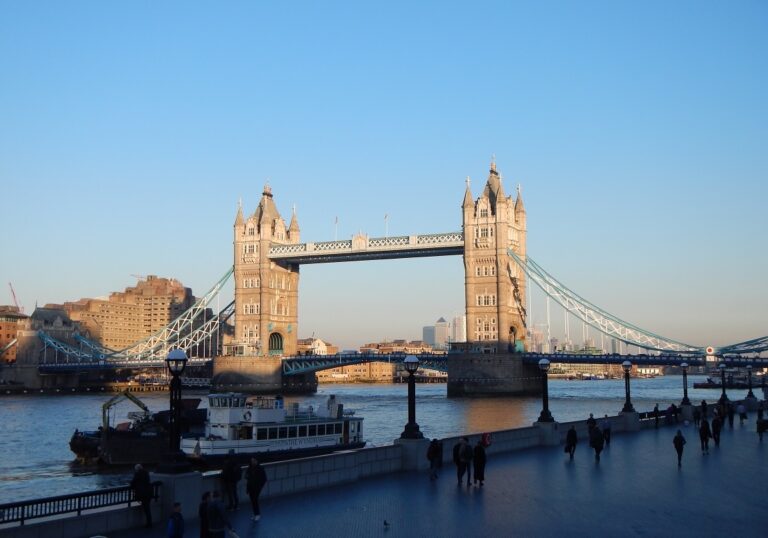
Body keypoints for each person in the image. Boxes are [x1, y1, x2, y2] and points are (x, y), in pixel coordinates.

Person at [130, 463, 153, 528]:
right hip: (149, 493)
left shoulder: (137, 474)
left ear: (137, 469)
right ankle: (149, 523)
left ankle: (149, 524)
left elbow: (133, 482)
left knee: (146, 509)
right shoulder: (146, 473)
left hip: (143, 494)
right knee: (147, 509)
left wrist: (131, 485)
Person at [245, 457, 267, 522]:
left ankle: (257, 514)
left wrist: (260, 486)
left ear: (257, 461)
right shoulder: (250, 468)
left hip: (256, 488)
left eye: (254, 461)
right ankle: (256, 514)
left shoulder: (260, 468)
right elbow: (246, 476)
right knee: (253, 501)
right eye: (251, 461)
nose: (252, 462)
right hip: (251, 487)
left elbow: (264, 479)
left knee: (254, 500)